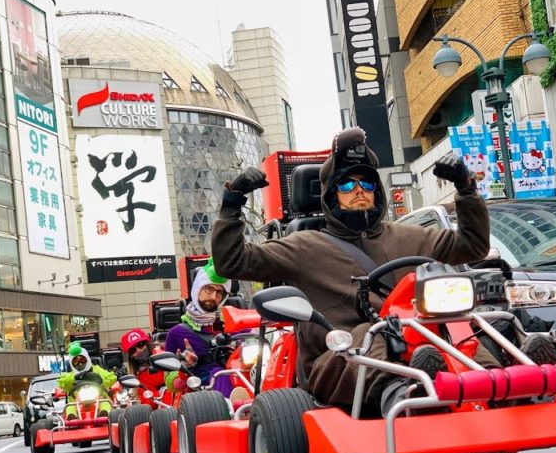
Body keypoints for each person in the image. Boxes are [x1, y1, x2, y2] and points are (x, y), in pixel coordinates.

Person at [212, 126, 496, 417]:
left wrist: (466, 188)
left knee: (464, 331)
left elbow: (472, 246)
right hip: (337, 359)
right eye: (347, 185)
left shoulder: (411, 237)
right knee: (371, 333)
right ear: (331, 194)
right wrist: (232, 202)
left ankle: (503, 387)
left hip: (419, 344)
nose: (359, 190)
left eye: (367, 183)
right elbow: (232, 262)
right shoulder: (303, 246)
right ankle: (406, 399)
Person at [164, 258, 236, 399]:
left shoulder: (234, 323)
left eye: (219, 292)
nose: (214, 296)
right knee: (218, 373)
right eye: (209, 289)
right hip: (203, 397)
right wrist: (184, 369)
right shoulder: (177, 333)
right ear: (198, 288)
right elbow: (170, 383)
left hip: (243, 381)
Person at [58, 341, 116, 419]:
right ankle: (72, 419)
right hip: (77, 402)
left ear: (87, 358)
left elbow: (112, 378)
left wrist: (98, 378)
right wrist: (75, 378)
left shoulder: (97, 369)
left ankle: (104, 414)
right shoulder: (71, 375)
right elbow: (62, 383)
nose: (80, 363)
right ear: (72, 364)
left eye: (82, 360)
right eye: (76, 362)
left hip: (99, 398)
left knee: (105, 402)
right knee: (70, 406)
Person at [120, 328, 175, 398]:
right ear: (131, 356)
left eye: (140, 344)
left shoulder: (165, 356)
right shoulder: (139, 378)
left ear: (147, 344)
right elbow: (149, 399)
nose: (138, 350)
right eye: (133, 350)